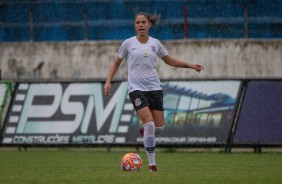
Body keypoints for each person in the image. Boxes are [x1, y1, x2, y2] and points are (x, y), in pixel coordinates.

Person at [104, 12, 204, 172]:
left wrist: (190, 65)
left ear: (149, 24)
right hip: (136, 90)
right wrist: (108, 80)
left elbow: (169, 60)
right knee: (150, 125)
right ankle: (152, 165)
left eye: (144, 22)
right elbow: (116, 63)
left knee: (159, 128)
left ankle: (145, 132)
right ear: (135, 25)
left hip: (155, 89)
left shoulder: (155, 43)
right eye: (138, 22)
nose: (141, 25)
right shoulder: (128, 43)